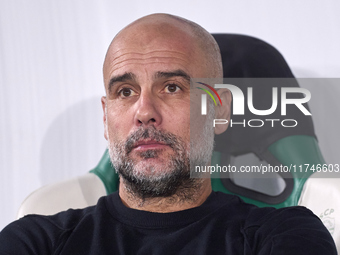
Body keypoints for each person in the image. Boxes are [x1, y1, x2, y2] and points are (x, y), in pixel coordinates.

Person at [0, 13, 337, 254]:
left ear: (219, 111)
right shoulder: (36, 240)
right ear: (105, 117)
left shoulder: (284, 235)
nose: (144, 111)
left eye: (172, 87)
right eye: (126, 92)